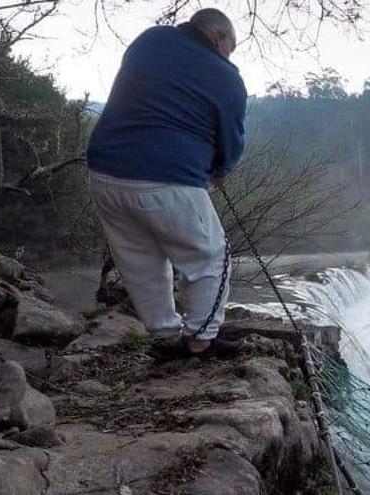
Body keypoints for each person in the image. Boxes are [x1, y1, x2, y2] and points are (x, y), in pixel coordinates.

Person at [86, 8, 247, 354]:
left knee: (140, 260)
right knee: (210, 257)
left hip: (105, 171)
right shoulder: (226, 76)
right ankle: (201, 342)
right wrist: (220, 170)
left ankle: (165, 338)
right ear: (220, 39)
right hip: (168, 177)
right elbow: (231, 142)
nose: (229, 56)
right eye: (230, 48)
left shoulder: (149, 40)